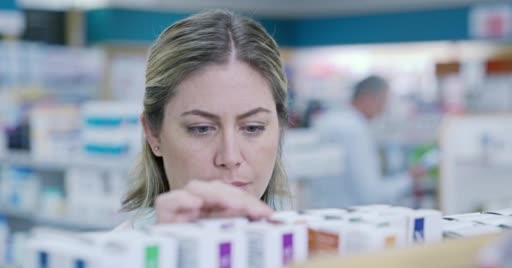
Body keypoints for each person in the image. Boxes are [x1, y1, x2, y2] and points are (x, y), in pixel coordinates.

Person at [116, 10, 290, 229]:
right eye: (201, 129)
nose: (230, 157)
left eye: (253, 128)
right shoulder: (121, 257)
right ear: (153, 133)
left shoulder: (308, 252)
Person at [309, 75, 412, 208]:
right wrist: (408, 179)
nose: (383, 109)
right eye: (383, 101)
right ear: (367, 97)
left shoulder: (328, 120)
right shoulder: (355, 130)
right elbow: (370, 194)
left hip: (322, 213)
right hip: (351, 217)